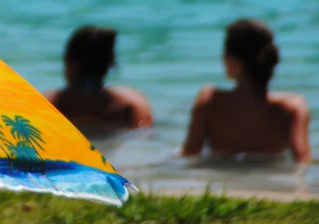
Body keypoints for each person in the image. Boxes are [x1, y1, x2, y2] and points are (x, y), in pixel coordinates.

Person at [182, 19, 311, 163]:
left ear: (232, 63)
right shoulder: (293, 108)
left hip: (223, 178)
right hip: (270, 180)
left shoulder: (209, 101)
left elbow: (190, 155)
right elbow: (302, 161)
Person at [45, 25, 153, 132]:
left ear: (73, 64)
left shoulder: (48, 103)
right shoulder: (131, 104)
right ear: (109, 64)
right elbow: (144, 138)